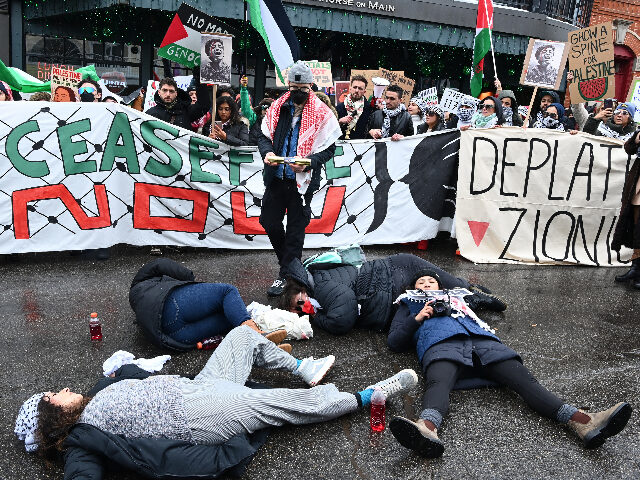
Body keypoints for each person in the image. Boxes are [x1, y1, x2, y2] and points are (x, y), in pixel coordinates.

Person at [21, 325, 418, 478]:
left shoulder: (94, 395)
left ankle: (303, 366)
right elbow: (81, 476)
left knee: (242, 336)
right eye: (53, 396)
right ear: (56, 415)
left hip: (197, 387)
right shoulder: (79, 443)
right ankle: (367, 396)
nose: (61, 390)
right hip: (197, 416)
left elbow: (129, 373)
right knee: (285, 405)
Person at [386, 270, 632, 458]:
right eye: (421, 282)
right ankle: (426, 429)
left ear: (440, 284)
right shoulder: (408, 302)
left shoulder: (459, 298)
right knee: (438, 384)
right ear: (413, 287)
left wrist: (470, 291)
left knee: (526, 382)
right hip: (441, 344)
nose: (427, 284)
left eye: (431, 281)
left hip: (484, 343)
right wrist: (418, 318)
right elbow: (395, 341)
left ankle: (585, 422)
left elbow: (498, 304)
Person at [257, 61, 341, 296]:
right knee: (269, 222)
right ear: (289, 86)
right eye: (294, 89)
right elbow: (263, 137)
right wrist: (268, 153)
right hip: (276, 177)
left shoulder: (321, 113)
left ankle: (287, 275)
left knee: (295, 229)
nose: (297, 94)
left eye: (302, 90)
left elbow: (329, 149)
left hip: (303, 182)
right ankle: (290, 266)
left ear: (310, 87)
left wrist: (309, 162)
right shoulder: (277, 107)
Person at [281, 253, 507, 336]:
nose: (301, 310)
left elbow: (343, 318)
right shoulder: (317, 284)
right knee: (431, 302)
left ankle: (473, 293)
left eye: (298, 304)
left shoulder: (319, 286)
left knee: (436, 285)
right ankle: (474, 297)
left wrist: (315, 317)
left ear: (302, 291)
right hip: (388, 282)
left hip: (391, 276)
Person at [129, 258, 288, 350]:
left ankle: (263, 350)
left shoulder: (140, 304)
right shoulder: (141, 281)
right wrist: (188, 277)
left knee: (230, 320)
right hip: (171, 305)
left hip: (175, 335)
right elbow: (160, 263)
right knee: (227, 292)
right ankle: (258, 335)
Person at [611, 132, 640, 289]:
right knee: (636, 227)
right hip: (637, 182)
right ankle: (635, 267)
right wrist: (636, 139)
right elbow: (629, 149)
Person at [145, 69, 210, 131]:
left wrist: (199, 79)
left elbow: (203, 105)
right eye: (164, 90)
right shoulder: (150, 114)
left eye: (171, 91)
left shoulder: (186, 111)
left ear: (176, 93)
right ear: (159, 92)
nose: (168, 94)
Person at [336, 75, 374, 139]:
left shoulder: (369, 109)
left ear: (364, 91)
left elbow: (371, 129)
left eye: (360, 88)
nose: (356, 90)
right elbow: (331, 130)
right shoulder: (339, 107)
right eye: (355, 87)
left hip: (362, 146)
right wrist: (339, 122)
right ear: (350, 88)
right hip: (342, 146)